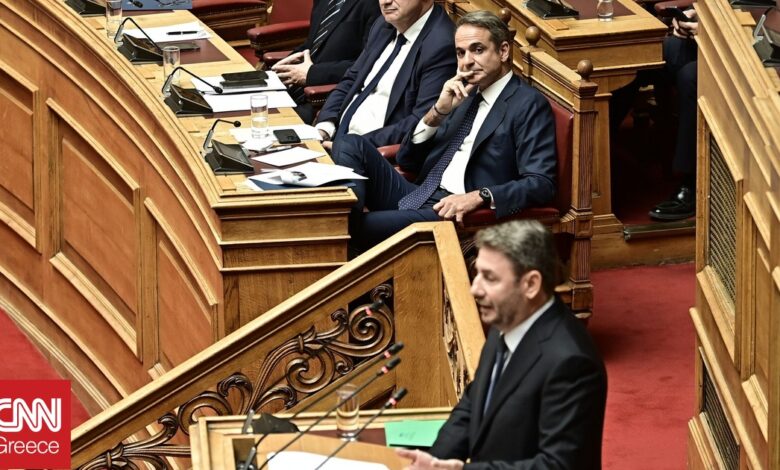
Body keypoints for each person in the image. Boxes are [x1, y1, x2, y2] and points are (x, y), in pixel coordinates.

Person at [332, 11, 556, 254]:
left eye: (477, 50)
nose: (467, 61)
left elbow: (540, 183)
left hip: (455, 212)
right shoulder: (463, 94)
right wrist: (437, 113)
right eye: (460, 53)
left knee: (351, 228)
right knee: (349, 143)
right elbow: (407, 159)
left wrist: (479, 196)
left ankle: (343, 222)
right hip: (421, 192)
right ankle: (342, 212)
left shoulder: (527, 104)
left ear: (503, 51)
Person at [397, 220, 607, 469]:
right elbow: (472, 406)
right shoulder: (506, 322)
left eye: (489, 278)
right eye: (477, 274)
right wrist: (434, 462)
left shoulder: (571, 363)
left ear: (530, 284)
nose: (475, 289)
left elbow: (556, 465)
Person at [314, 0, 456, 148]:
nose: (385, 2)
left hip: (370, 151)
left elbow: (421, 120)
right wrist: (325, 126)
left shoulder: (442, 44)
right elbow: (352, 79)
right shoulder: (383, 24)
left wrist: (349, 146)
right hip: (334, 137)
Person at [270, 0, 381, 124]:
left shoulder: (377, 4)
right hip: (293, 91)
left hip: (324, 100)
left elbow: (369, 65)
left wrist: (312, 74)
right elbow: (313, 44)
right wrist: (285, 66)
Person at [648, 9, 698, 221]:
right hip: (711, 40)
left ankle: (691, 182)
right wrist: (695, 15)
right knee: (646, 52)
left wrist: (710, 31)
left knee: (690, 76)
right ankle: (600, 161)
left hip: (751, 54)